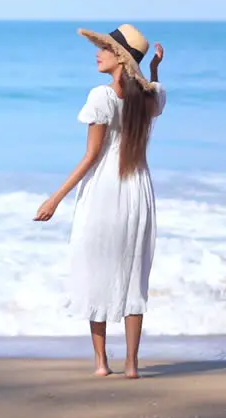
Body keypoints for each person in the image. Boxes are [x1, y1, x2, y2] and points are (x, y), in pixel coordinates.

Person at [34, 24, 166, 378]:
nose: (98, 53)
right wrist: (152, 70)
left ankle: (102, 364)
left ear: (120, 58)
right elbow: (154, 95)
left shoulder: (101, 97)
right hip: (138, 192)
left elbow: (92, 156)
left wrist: (56, 198)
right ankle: (133, 365)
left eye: (105, 49)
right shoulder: (149, 100)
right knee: (133, 275)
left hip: (104, 194)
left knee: (97, 271)